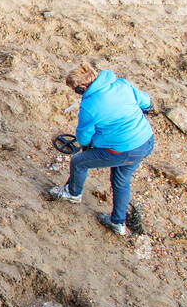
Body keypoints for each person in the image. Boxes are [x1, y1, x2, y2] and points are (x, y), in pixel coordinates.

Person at [47, 64, 155, 236]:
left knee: (79, 162)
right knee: (121, 180)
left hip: (121, 150)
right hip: (145, 141)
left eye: (76, 90)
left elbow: (83, 137)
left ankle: (73, 193)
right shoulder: (121, 84)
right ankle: (118, 222)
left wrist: (87, 146)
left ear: (82, 88)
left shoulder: (89, 106)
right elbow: (146, 102)